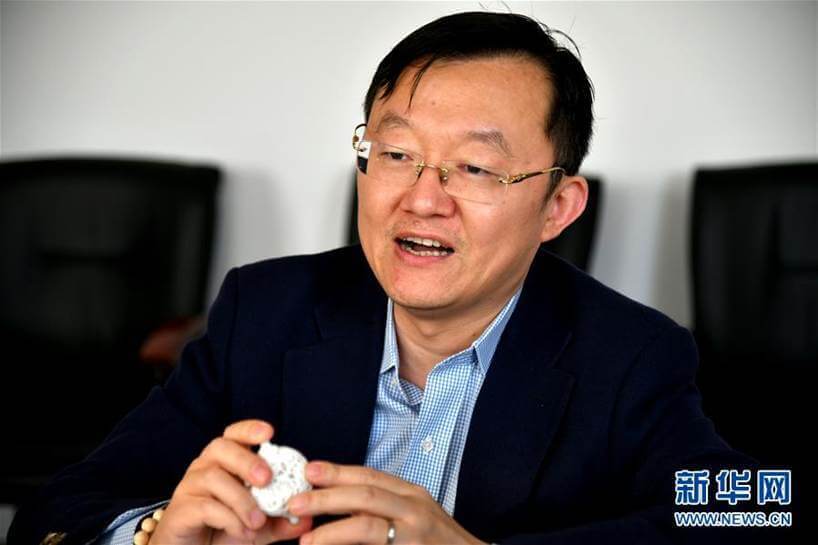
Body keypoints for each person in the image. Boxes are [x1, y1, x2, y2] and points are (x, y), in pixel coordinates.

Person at [9, 11, 781, 545]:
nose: (422, 198)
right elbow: (55, 510)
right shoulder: (267, 312)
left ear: (558, 206)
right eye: (398, 153)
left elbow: (755, 511)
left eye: (474, 166)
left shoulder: (631, 355)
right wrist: (155, 533)